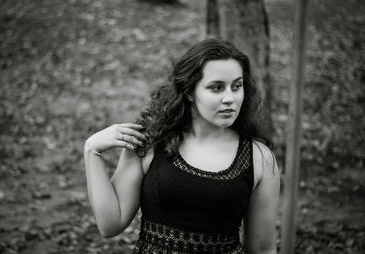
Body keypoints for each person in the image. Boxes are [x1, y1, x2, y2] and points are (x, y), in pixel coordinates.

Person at [84, 39, 280, 254]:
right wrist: (91, 151)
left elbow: (262, 249)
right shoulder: (152, 142)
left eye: (237, 86)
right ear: (189, 92)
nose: (230, 98)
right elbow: (110, 224)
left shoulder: (259, 158)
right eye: (216, 88)